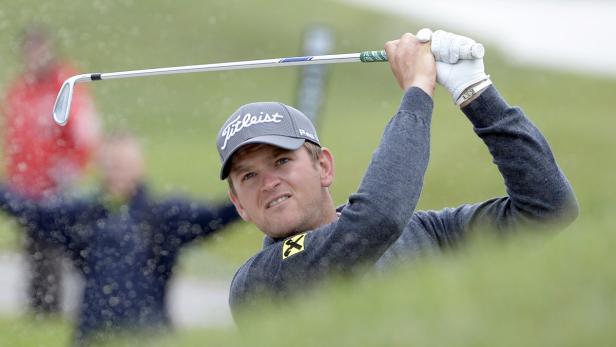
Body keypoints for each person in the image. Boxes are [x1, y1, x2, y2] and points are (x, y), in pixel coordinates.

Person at [214, 29, 579, 321]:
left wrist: (475, 92)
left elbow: (548, 209)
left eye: (281, 162)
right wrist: (418, 91)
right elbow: (377, 218)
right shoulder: (258, 280)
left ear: (323, 166)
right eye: (248, 176)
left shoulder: (423, 234)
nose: (268, 182)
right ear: (239, 205)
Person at [0, 132, 240, 345]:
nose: (117, 172)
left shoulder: (164, 216)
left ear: (141, 166)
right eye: (111, 165)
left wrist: (250, 188)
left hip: (149, 334)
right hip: (92, 336)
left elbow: (217, 215)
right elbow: (30, 211)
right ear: (99, 168)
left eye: (124, 164)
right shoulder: (81, 215)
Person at [1, 24, 101, 314]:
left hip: (57, 185)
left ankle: (53, 308)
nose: (34, 57)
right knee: (33, 248)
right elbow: (14, 135)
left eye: (39, 50)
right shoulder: (19, 90)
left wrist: (70, 168)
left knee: (56, 246)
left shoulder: (66, 85)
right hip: (26, 185)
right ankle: (38, 308)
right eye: (29, 51)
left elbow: (86, 133)